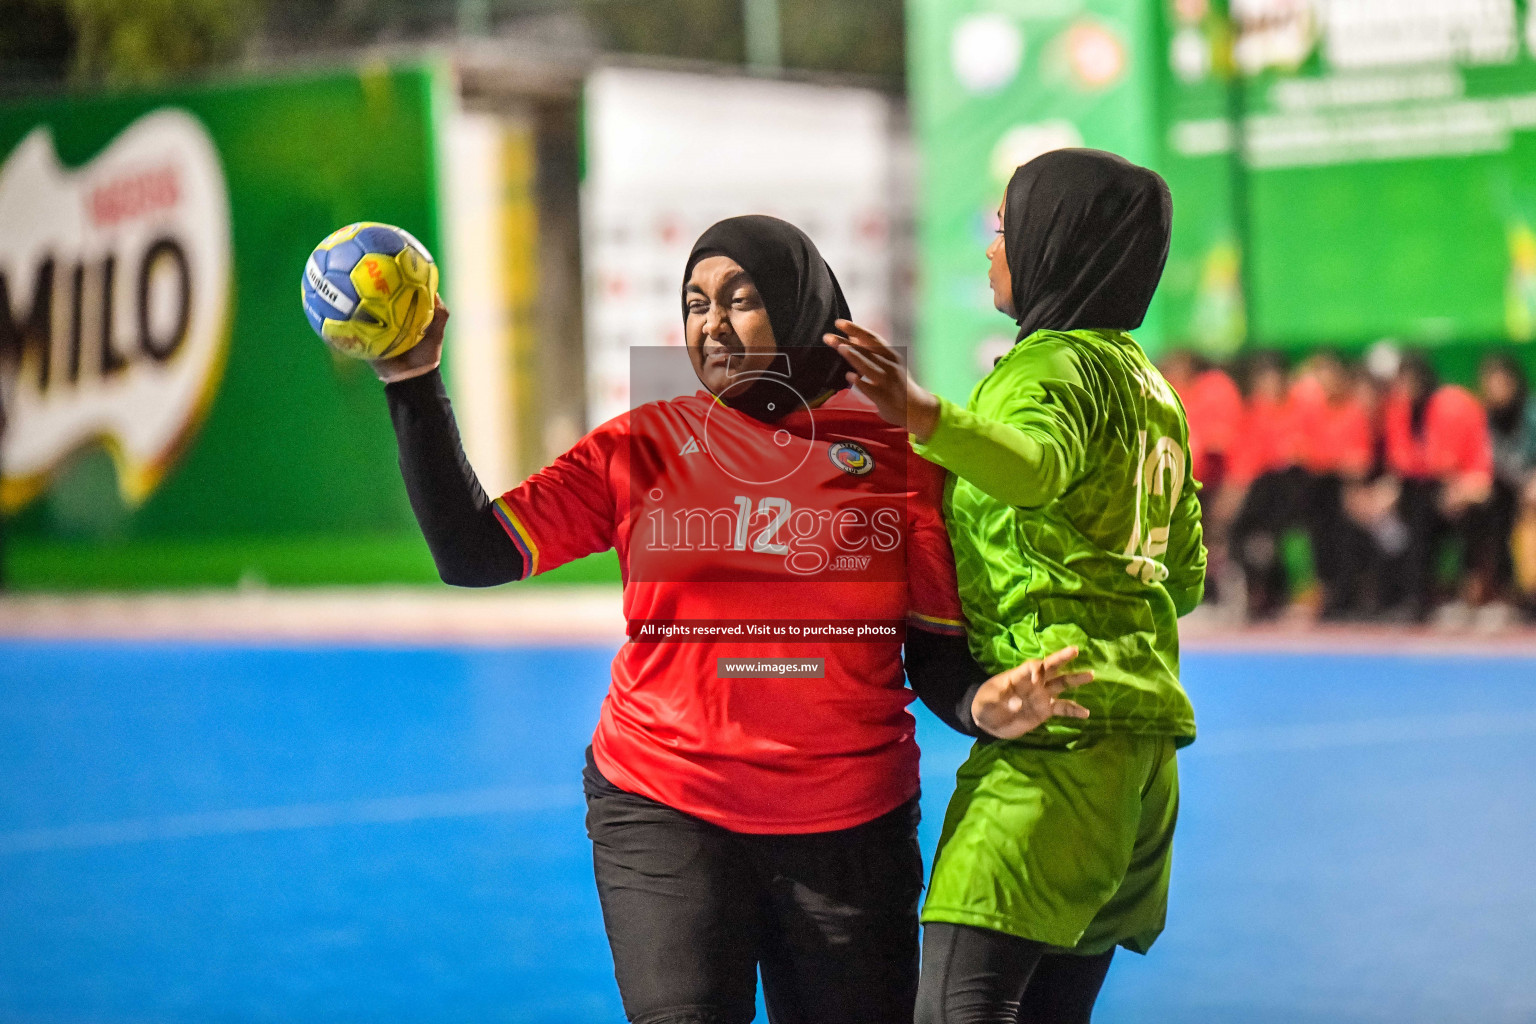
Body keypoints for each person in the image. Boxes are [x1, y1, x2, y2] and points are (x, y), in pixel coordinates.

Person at [369, 214, 1089, 1024]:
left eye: (740, 299)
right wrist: (414, 383)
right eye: (695, 302)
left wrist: (979, 706)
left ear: (800, 305)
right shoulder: (642, 443)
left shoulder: (899, 455)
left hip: (848, 830)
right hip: (663, 803)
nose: (711, 323)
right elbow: (475, 552)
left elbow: (935, 656)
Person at [825, 149, 1203, 1023]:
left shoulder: (1051, 370)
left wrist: (922, 417)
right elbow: (1181, 576)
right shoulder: (1154, 392)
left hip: (1055, 743)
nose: (992, 249)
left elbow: (1034, 469)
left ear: (1054, 245)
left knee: (962, 1003)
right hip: (1142, 765)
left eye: (1003, 229)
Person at [1382, 352, 1493, 622]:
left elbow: (1475, 463)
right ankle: (1416, 598)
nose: (1405, 388)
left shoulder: (1453, 405)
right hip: (1426, 492)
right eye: (1401, 381)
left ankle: (1478, 597)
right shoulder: (1399, 410)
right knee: (1413, 511)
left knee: (1478, 516)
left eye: (1410, 380)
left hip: (1469, 487)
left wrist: (1462, 489)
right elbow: (1403, 464)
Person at [1288, 350, 1376, 619]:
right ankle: (1326, 592)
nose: (1325, 382)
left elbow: (1360, 461)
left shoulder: (1354, 412)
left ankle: (1347, 594)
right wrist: (1331, 460)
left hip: (1347, 488)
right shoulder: (1311, 411)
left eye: (1330, 374)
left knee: (1343, 523)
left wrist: (1334, 462)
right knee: (1317, 524)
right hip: (1319, 487)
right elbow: (1303, 452)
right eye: (1319, 375)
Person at [1226, 350, 1306, 619]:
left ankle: (1282, 591)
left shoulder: (1301, 409)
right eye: (1263, 381)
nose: (1268, 387)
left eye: (1272, 379)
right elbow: (1244, 463)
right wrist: (1233, 494)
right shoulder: (1252, 414)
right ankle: (1253, 593)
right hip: (1261, 493)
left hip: (1295, 489)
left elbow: (1306, 454)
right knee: (1238, 526)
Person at [1469, 353, 1536, 617]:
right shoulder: (1483, 417)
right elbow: (1480, 461)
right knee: (1485, 510)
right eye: (1489, 384)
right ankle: (1503, 595)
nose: (1494, 390)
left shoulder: (1531, 413)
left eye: (1500, 383)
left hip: (1531, 489)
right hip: (1506, 491)